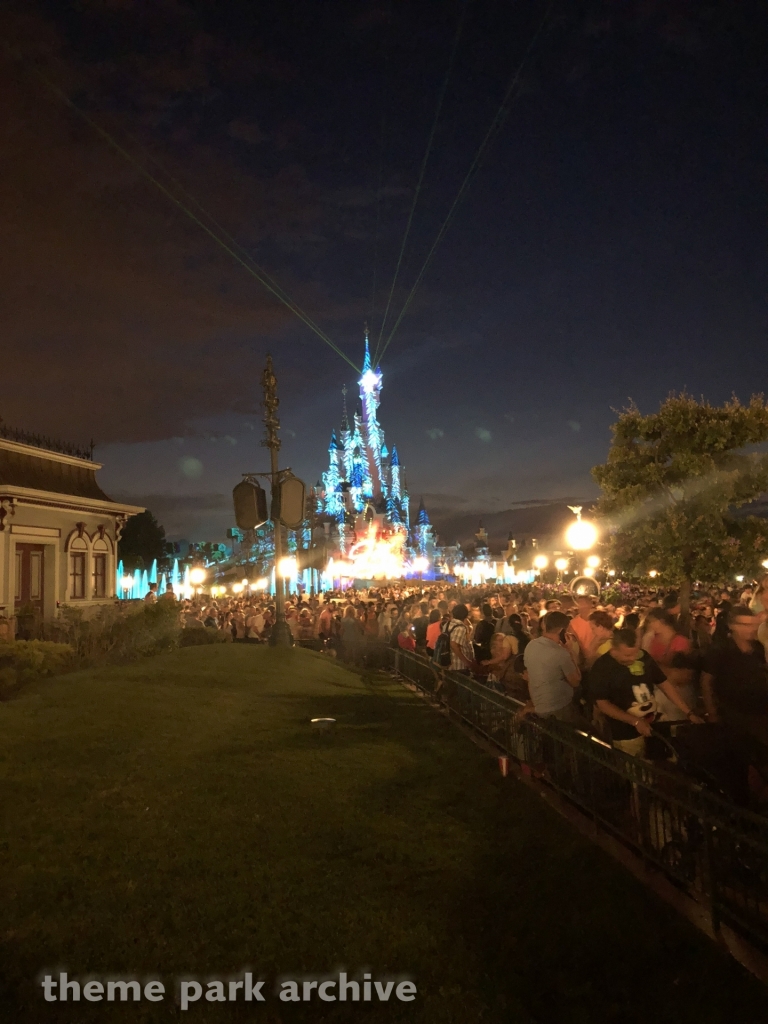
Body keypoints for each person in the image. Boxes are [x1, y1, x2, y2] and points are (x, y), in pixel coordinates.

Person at [592, 628, 703, 757]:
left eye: (635, 653)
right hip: (625, 733)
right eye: (627, 655)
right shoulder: (601, 667)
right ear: (614, 649)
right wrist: (635, 721)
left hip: (652, 726)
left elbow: (664, 684)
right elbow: (602, 703)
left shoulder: (644, 657)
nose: (633, 658)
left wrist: (688, 712)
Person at [701, 606, 768, 741]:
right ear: (732, 626)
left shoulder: (758, 648)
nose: (751, 629)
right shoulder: (719, 649)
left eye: (752, 625)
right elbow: (706, 682)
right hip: (732, 713)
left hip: (759, 711)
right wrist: (712, 712)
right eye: (745, 625)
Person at [522, 611, 583, 725]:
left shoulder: (531, 645)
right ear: (562, 631)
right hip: (558, 708)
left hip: (539, 704)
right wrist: (570, 651)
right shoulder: (560, 653)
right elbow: (576, 681)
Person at [446, 604, 475, 675]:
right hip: (459, 666)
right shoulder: (461, 628)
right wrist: (466, 662)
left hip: (449, 663)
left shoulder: (447, 624)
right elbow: (454, 645)